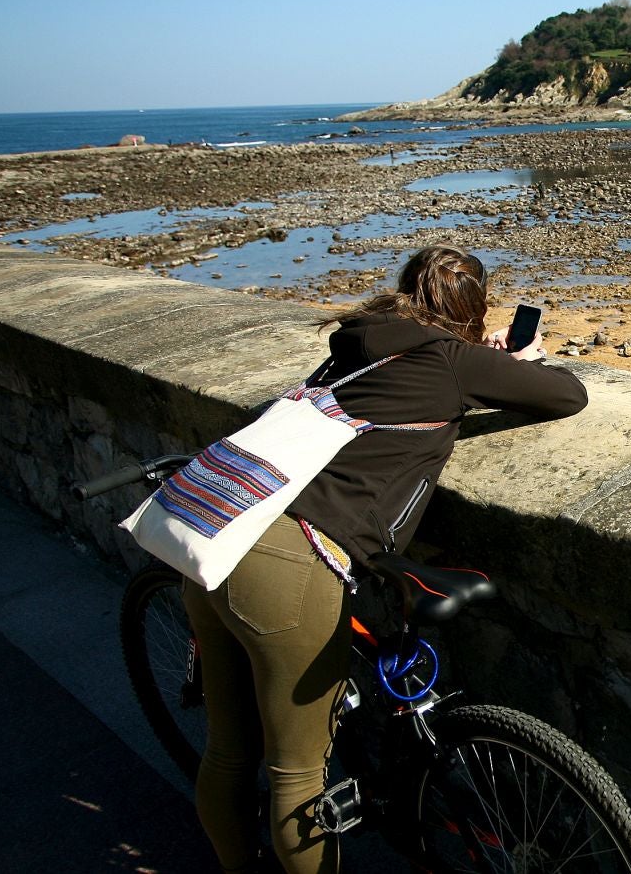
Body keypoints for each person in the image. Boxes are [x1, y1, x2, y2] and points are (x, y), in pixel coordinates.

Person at [181, 245, 587, 874]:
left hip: (221, 530)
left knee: (230, 750)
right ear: (475, 310)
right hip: (290, 560)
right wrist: (513, 362)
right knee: (297, 777)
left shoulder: (355, 346)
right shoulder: (451, 360)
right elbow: (568, 395)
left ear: (406, 291)